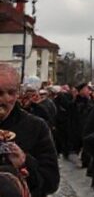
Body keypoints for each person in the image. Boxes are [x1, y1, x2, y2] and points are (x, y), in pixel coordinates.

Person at [0, 64, 59, 197]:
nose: (5, 99)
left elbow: (51, 182)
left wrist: (25, 161)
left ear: (18, 93)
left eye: (11, 92)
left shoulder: (36, 126)